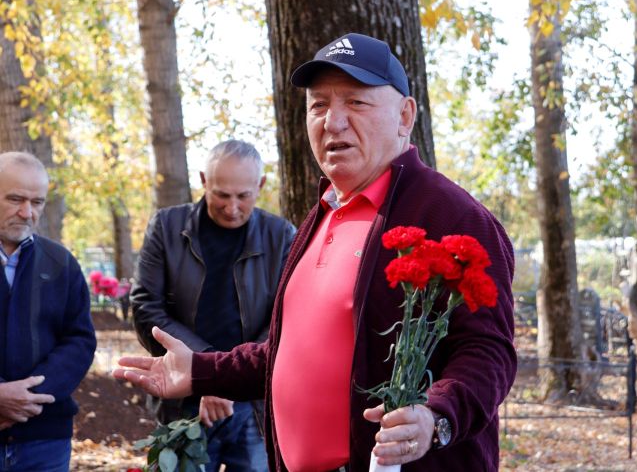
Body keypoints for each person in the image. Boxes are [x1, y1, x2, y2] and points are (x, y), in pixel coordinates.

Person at [116, 33, 516, 471]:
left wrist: (436, 417)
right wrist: (199, 370)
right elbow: (285, 351)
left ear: (405, 115)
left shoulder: (452, 217)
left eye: (356, 103)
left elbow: (488, 352)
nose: (333, 121)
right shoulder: (323, 213)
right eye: (318, 105)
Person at [131, 139, 295, 471]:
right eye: (221, 194)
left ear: (260, 186)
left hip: (252, 402)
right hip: (183, 399)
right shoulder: (166, 227)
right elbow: (146, 307)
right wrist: (208, 373)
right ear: (204, 180)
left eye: (243, 196)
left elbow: (287, 318)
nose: (232, 207)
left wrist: (229, 376)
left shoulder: (281, 236)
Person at [0, 151, 96, 471]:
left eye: (37, 202)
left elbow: (80, 340)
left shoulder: (61, 263)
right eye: (15, 199)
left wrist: (29, 398)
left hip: (44, 439)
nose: (27, 212)